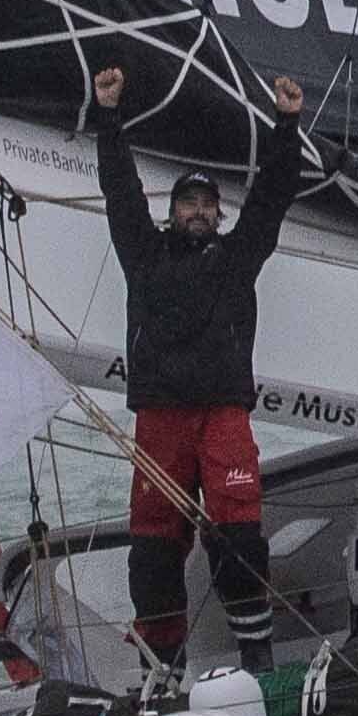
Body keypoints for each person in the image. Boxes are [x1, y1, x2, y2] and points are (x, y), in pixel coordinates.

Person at [90, 60, 310, 674]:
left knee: (238, 535)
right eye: (187, 203)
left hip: (222, 413)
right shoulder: (144, 253)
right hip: (160, 418)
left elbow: (271, 196)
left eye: (207, 204)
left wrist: (286, 125)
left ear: (218, 212)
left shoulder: (238, 257)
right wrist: (108, 116)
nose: (197, 212)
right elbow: (120, 192)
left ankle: (257, 658)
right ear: (172, 211)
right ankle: (162, 669)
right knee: (154, 549)